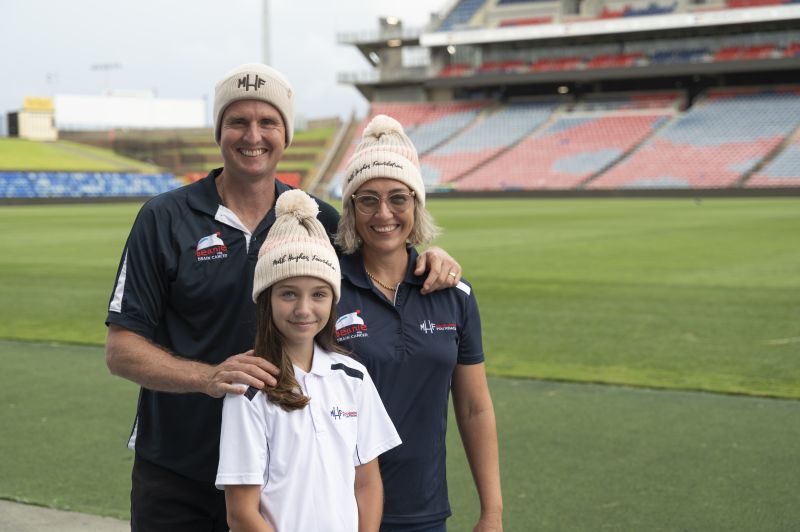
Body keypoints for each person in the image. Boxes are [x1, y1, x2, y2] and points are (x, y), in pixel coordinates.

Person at [105, 63, 460, 531]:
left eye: (268, 121)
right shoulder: (164, 218)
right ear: (219, 131)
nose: (253, 135)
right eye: (238, 121)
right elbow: (121, 350)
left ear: (286, 134)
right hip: (178, 470)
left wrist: (432, 257)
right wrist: (209, 377)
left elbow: (384, 254)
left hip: (283, 485)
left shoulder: (320, 221)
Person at [334, 115, 503, 532]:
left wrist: (492, 512)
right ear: (351, 208)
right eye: (367, 199)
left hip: (424, 513)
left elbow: (474, 407)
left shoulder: (453, 293)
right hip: (336, 508)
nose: (384, 214)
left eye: (398, 198)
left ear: (416, 204)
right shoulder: (325, 290)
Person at [216, 189, 401, 531]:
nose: (303, 309)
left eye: (318, 294)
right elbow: (241, 513)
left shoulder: (353, 377)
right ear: (266, 301)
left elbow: (367, 483)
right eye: (288, 294)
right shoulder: (250, 386)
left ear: (333, 301)